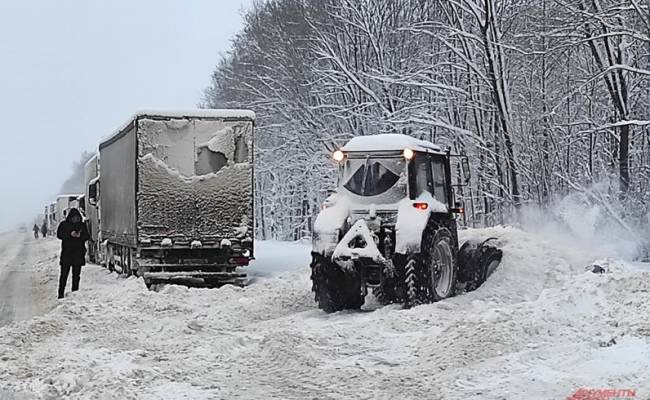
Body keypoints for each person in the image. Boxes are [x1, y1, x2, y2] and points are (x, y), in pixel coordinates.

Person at [56, 208, 89, 299]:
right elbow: (59, 235)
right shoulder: (64, 225)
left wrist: (80, 236)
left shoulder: (82, 225)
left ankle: (75, 292)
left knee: (76, 275)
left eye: (77, 218)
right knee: (64, 275)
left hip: (78, 254)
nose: (76, 219)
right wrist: (70, 235)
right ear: (70, 217)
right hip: (67, 254)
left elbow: (87, 236)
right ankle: (61, 293)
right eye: (74, 218)